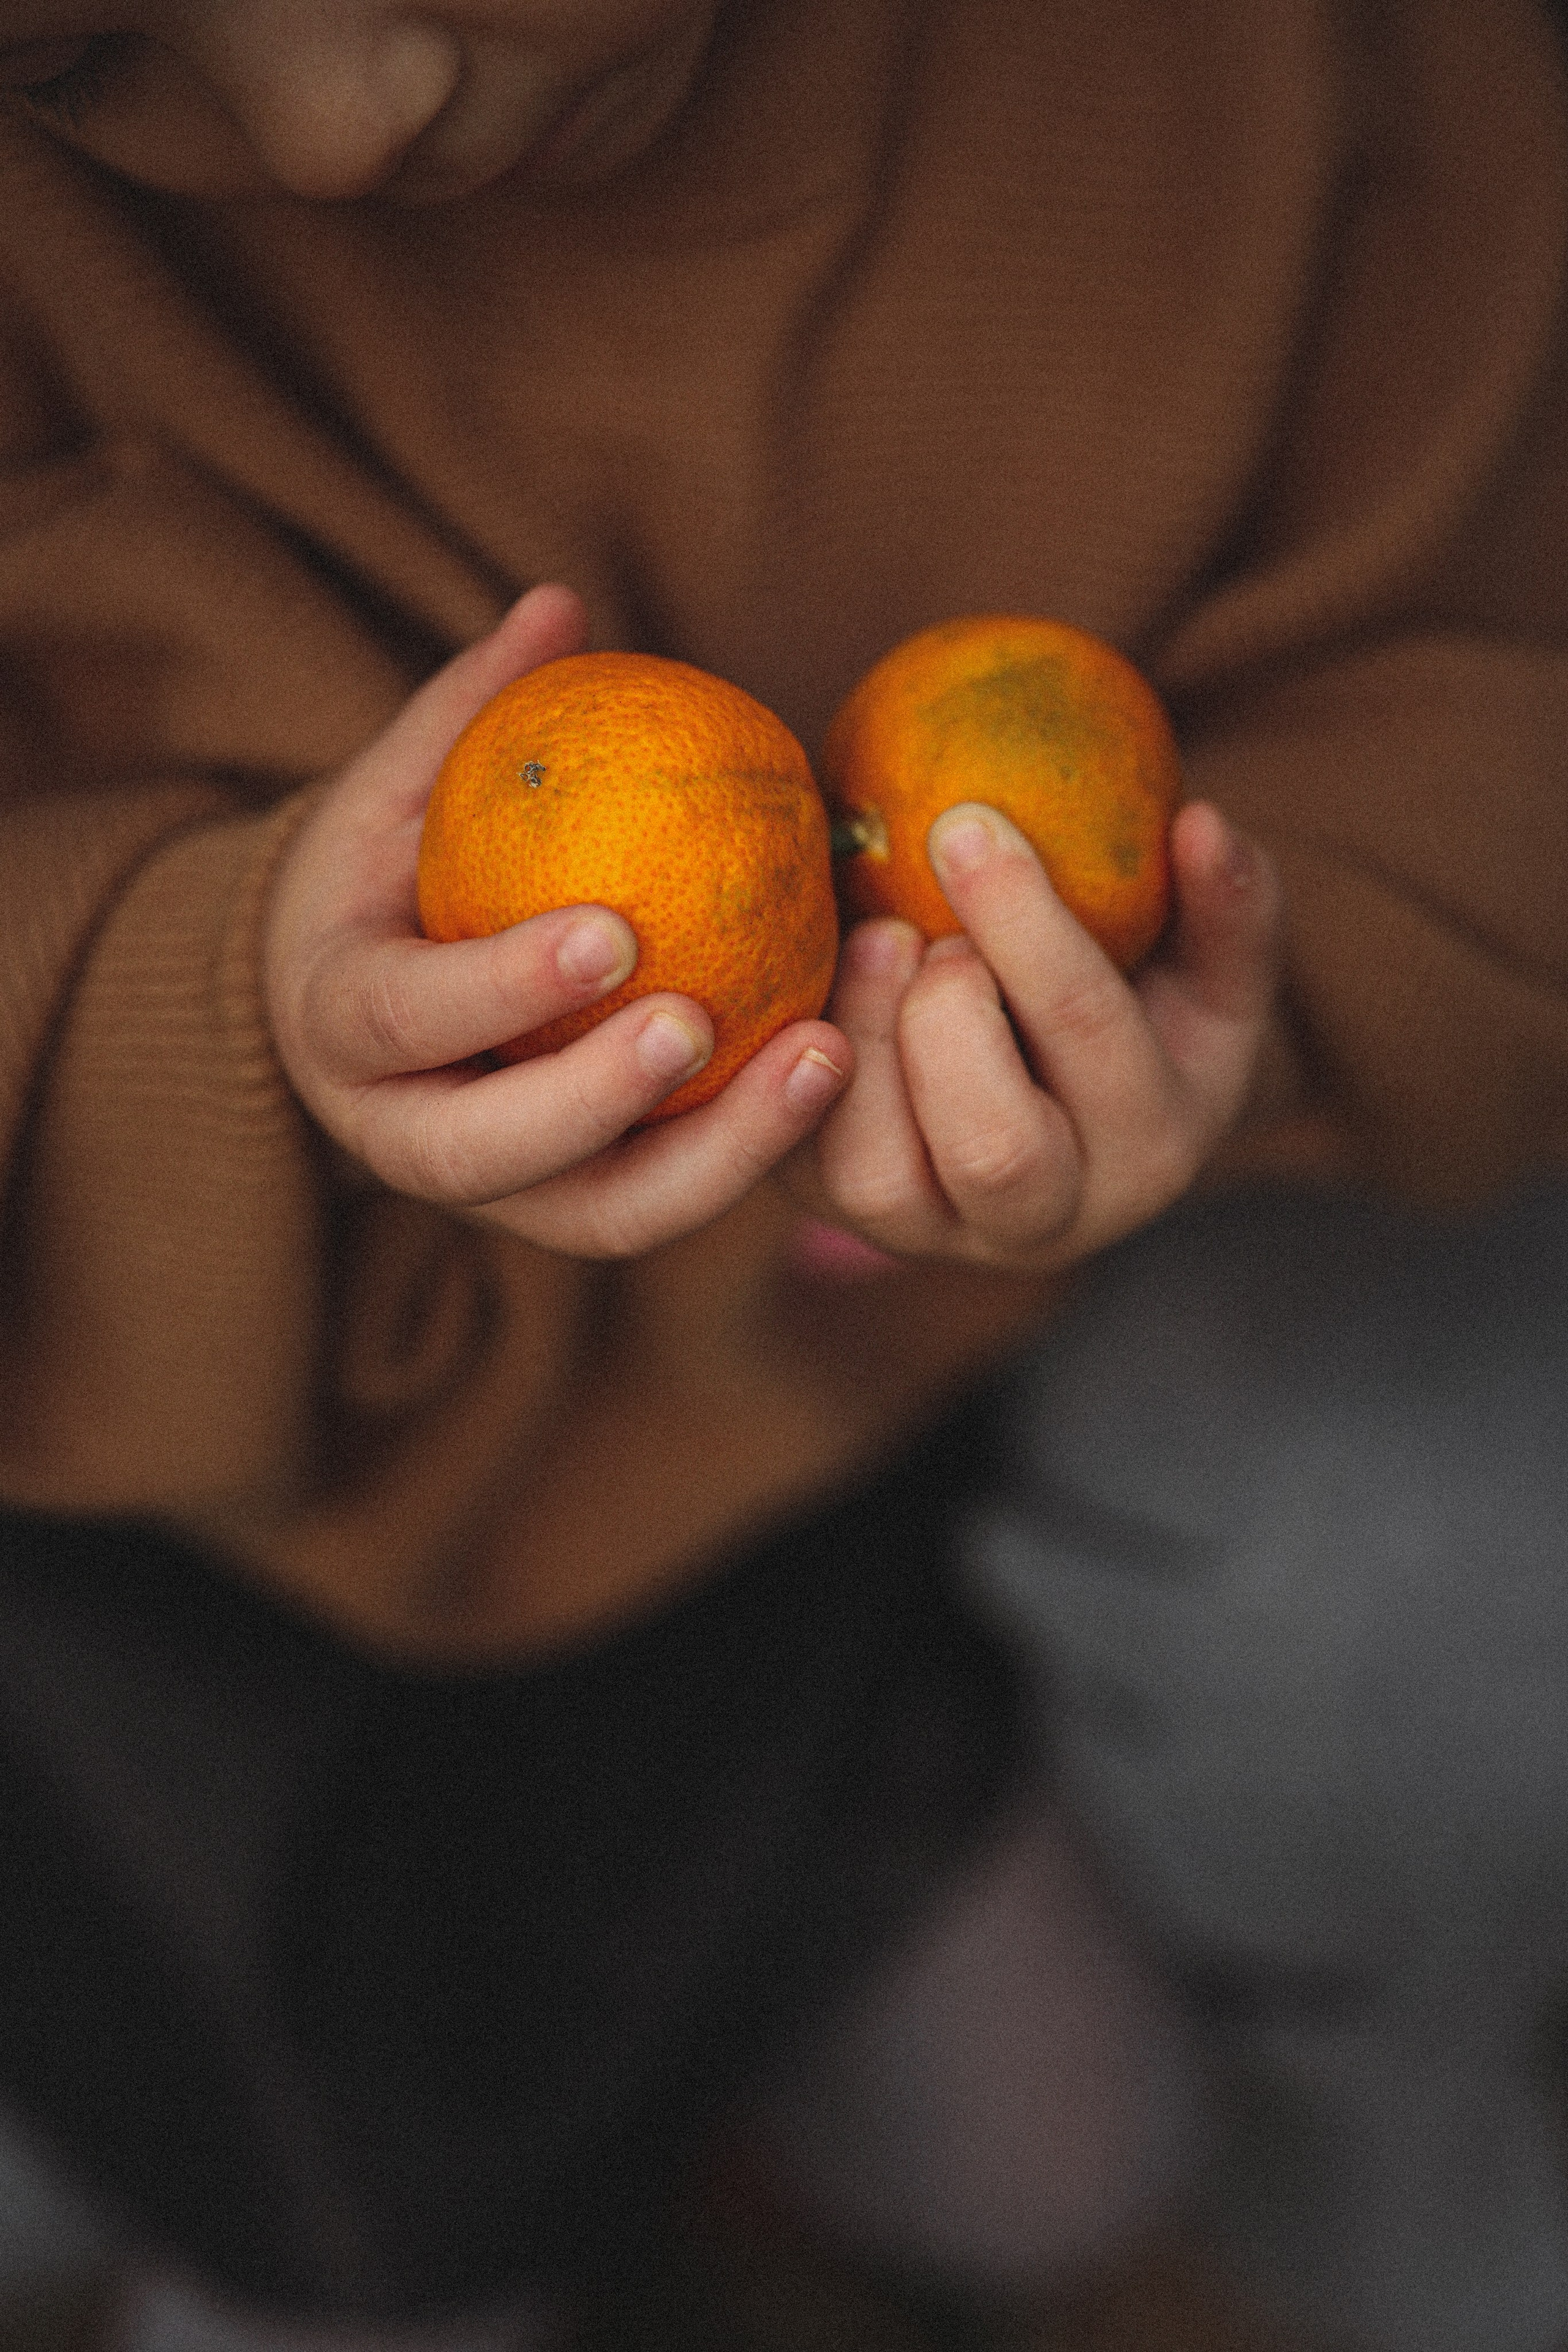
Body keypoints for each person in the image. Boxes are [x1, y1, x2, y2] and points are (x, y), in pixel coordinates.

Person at [0, 2, 1563, 2348]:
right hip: (318, 1519)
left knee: (1085, 2144)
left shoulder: (1285, 82)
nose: (361, 112)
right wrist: (214, 1005)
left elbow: (1506, 652)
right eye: (85, 59)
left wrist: (1253, 997)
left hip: (1014, 1375)